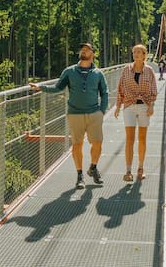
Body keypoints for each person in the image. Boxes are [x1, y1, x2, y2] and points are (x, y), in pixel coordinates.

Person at [29, 43, 109, 189]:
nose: (83, 50)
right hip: (75, 114)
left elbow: (105, 92)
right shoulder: (69, 71)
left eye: (87, 49)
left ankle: (93, 167)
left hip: (94, 113)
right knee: (77, 145)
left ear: (93, 54)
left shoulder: (98, 73)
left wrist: (102, 111)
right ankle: (79, 176)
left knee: (97, 144)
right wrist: (42, 87)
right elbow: (58, 87)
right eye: (82, 49)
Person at [113, 44, 157, 181]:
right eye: (134, 52)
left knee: (142, 139)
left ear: (144, 55)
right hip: (129, 106)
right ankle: (128, 171)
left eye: (139, 52)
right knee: (130, 139)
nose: (136, 54)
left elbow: (154, 90)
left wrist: (151, 106)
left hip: (144, 106)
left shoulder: (149, 71)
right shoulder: (126, 70)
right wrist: (118, 107)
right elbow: (120, 88)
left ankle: (141, 168)